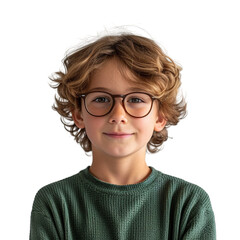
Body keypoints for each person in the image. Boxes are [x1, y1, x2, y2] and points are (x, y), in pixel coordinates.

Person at [29, 33, 216, 239]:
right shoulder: (55, 203)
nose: (118, 115)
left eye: (136, 99)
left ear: (160, 116)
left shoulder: (188, 203)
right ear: (78, 114)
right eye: (101, 98)